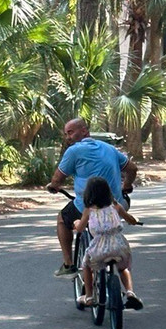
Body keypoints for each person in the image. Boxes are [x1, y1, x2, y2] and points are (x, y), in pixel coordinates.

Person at [46, 117, 137, 277]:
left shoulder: (73, 151)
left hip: (87, 206)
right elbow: (132, 168)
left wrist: (53, 186)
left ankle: (68, 265)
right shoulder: (109, 148)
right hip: (115, 203)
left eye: (71, 132)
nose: (68, 137)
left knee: (62, 218)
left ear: (84, 131)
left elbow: (57, 179)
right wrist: (127, 186)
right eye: (66, 134)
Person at [74, 176, 143, 310]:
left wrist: (76, 223)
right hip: (119, 246)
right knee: (123, 268)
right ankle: (130, 292)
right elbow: (130, 219)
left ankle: (88, 296)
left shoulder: (89, 211)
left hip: (98, 248)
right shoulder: (116, 206)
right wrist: (135, 220)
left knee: (87, 266)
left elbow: (80, 228)